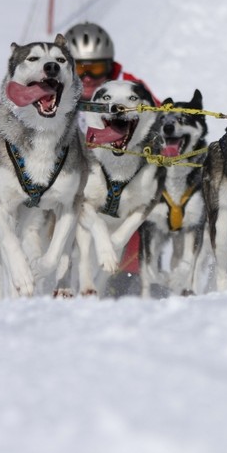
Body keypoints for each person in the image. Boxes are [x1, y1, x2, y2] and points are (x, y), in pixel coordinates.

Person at [64, 21, 159, 298]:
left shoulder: (128, 87)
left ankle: (129, 278)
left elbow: (155, 116)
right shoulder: (57, 93)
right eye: (81, 70)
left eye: (97, 69)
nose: (89, 77)